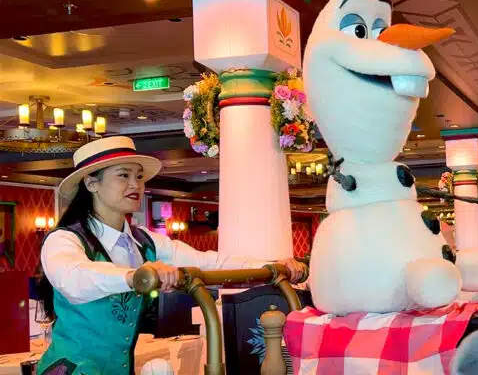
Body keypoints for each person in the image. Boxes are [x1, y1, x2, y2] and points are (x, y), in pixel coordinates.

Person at [36, 137, 307, 375]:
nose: (136, 184)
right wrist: (136, 277)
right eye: (123, 175)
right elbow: (74, 280)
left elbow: (207, 261)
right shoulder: (65, 239)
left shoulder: (143, 242)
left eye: (139, 176)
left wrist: (272, 266)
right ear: (91, 182)